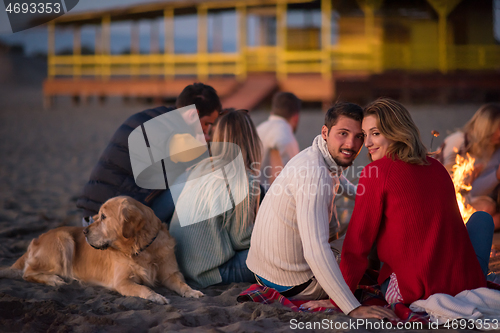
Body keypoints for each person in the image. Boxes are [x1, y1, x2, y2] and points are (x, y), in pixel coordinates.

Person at [246, 102, 397, 319]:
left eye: (359, 137)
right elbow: (315, 250)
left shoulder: (316, 154)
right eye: (343, 134)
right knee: (375, 232)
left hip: (265, 271)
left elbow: (340, 180)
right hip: (293, 284)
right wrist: (352, 307)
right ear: (325, 132)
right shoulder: (314, 175)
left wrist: (373, 196)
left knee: (360, 225)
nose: (351, 144)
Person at [337, 98, 491, 307]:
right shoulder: (437, 167)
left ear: (396, 132)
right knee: (482, 219)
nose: (367, 144)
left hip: (413, 289)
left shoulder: (376, 172)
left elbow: (357, 243)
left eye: (375, 133)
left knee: (370, 232)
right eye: (365, 136)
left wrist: (340, 299)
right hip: (464, 283)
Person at [76, 83, 221, 226]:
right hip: (109, 222)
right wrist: (208, 143)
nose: (207, 130)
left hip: (96, 213)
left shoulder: (159, 117)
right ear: (192, 115)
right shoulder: (172, 132)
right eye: (207, 124)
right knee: (192, 179)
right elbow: (203, 160)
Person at [169, 110, 262, 288]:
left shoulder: (201, 168)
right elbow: (240, 239)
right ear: (252, 141)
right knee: (278, 255)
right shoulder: (243, 178)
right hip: (210, 272)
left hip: (181, 266)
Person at [439, 104, 500, 230]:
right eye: (497, 128)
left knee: (488, 208)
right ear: (485, 128)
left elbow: (476, 191)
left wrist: (496, 176)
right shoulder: (458, 141)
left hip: (468, 197)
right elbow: (444, 181)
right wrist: (466, 181)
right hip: (445, 199)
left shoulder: (494, 148)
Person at [257, 92, 301, 190]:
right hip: (269, 198)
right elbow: (277, 176)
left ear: (272, 113)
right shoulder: (286, 137)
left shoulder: (258, 129)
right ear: (296, 117)